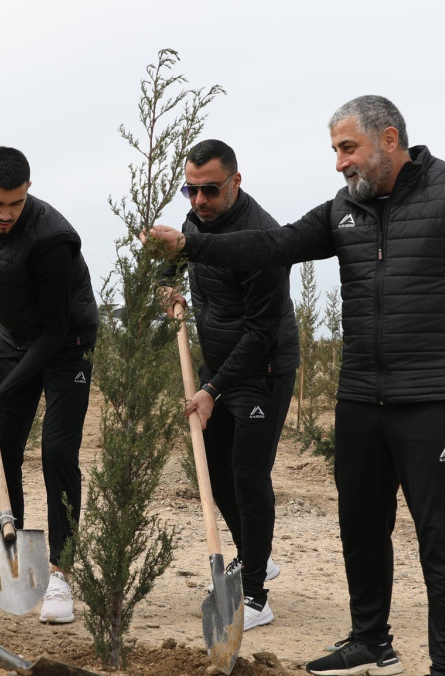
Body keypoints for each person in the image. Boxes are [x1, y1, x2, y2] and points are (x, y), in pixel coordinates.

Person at [144, 96, 445, 676]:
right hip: (362, 396)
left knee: (444, 541)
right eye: (335, 150)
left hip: (435, 397)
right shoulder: (345, 210)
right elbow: (272, 245)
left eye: (347, 148)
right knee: (360, 524)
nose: (338, 163)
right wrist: (190, 246)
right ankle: (371, 640)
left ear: (389, 139)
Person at [0, 146, 99, 624]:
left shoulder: (53, 240)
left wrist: (4, 388)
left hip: (67, 343)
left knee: (57, 451)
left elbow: (55, 331)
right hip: (16, 338)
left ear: (28, 191)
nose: (6, 214)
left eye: (16, 203)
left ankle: (59, 572)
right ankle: (10, 564)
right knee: (2, 444)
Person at [157, 139, 298, 631]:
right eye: (190, 190)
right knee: (215, 472)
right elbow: (174, 256)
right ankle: (254, 555)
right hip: (218, 367)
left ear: (235, 182)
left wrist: (213, 391)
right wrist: (166, 283)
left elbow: (261, 333)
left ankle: (257, 595)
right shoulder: (198, 220)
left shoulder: (264, 238)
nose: (198, 202)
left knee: (248, 475)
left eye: (210, 190)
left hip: (262, 371)